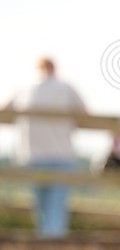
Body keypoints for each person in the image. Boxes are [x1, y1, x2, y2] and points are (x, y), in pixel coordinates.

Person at [12, 58, 86, 237]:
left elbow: (6, 110)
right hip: (61, 155)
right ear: (54, 69)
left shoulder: (25, 88)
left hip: (32, 155)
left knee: (41, 208)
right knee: (56, 208)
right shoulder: (66, 88)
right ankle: (53, 244)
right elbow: (84, 115)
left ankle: (43, 242)